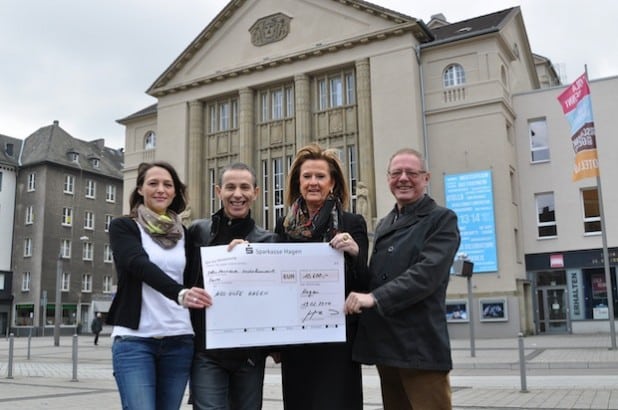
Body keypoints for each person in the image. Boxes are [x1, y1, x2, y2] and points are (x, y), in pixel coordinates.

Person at [344, 148, 461, 410]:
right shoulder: (385, 223)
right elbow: (376, 278)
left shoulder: (441, 219)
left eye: (412, 172)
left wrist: (374, 298)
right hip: (387, 348)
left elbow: (426, 275)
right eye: (396, 173)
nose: (404, 178)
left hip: (420, 349)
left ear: (426, 178)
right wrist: (354, 255)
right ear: (388, 178)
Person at [106, 161, 212, 410]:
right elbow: (137, 263)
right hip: (135, 341)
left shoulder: (184, 235)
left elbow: (203, 275)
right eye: (153, 183)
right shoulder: (124, 227)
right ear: (140, 189)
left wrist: (240, 249)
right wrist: (179, 293)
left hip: (179, 339)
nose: (160, 189)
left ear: (175, 191)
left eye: (168, 184)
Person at [275, 144, 368, 410]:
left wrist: (354, 252)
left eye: (320, 176)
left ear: (333, 182)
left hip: (338, 342)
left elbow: (364, 281)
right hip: (297, 341)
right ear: (298, 182)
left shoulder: (352, 223)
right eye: (307, 177)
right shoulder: (283, 225)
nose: (313, 182)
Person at [186, 162, 277, 410]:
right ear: (218, 191)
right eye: (230, 187)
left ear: (256, 193)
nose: (237, 194)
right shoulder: (197, 232)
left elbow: (276, 299)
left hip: (249, 355)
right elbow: (183, 283)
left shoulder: (268, 241)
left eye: (245, 187)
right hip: (207, 352)